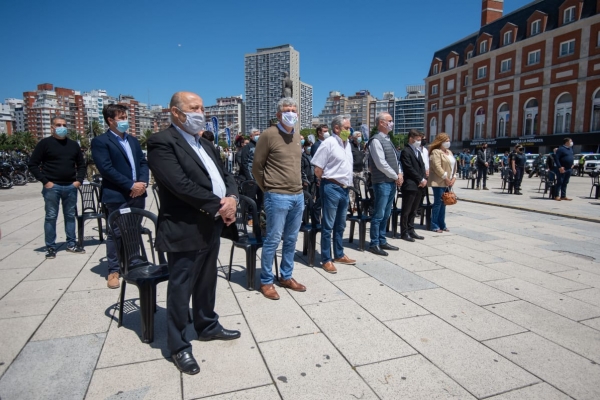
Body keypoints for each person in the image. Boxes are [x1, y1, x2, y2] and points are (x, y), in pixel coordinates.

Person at [147, 91, 240, 375]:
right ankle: (178, 345)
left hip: (211, 223)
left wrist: (233, 198)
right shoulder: (162, 142)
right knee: (181, 285)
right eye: (194, 107)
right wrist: (220, 206)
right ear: (175, 112)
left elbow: (226, 176)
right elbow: (180, 185)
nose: (200, 111)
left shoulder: (205, 143)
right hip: (185, 226)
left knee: (207, 279)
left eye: (201, 107)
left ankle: (207, 324)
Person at [252, 97, 306, 300]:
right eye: (287, 110)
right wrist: (268, 188)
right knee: (273, 239)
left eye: (294, 109)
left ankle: (286, 275)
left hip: (297, 195)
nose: (291, 113)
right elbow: (257, 167)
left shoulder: (297, 135)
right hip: (277, 195)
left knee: (291, 239)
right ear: (278, 114)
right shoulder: (268, 135)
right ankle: (266, 281)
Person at [92, 104, 149, 289]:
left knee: (133, 230)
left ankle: (132, 263)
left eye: (126, 116)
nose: (125, 120)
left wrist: (142, 182)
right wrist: (130, 184)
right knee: (115, 233)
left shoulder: (132, 140)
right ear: (110, 120)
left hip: (138, 193)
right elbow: (106, 169)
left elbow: (142, 162)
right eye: (121, 117)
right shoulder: (101, 141)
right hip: (117, 194)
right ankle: (114, 270)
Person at [28, 115, 86, 259]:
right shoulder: (45, 144)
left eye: (64, 125)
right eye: (59, 125)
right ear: (52, 127)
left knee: (70, 216)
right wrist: (45, 182)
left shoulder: (73, 145)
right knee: (51, 217)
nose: (62, 128)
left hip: (70, 186)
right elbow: (33, 164)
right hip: (52, 187)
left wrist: (78, 181)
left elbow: (82, 164)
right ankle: (51, 247)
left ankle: (71, 244)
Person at [311, 115, 355, 274]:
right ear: (336, 128)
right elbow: (318, 168)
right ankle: (326, 259)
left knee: (341, 224)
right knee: (328, 225)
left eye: (349, 128)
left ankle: (339, 253)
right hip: (331, 186)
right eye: (346, 128)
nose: (349, 130)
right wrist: (325, 183)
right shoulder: (328, 143)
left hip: (345, 188)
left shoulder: (347, 144)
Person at [367, 112, 403, 256]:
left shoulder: (388, 139)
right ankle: (374, 243)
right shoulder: (376, 140)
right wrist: (396, 175)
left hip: (391, 181)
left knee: (387, 213)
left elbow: (396, 159)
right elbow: (381, 163)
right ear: (381, 123)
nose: (392, 123)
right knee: (379, 213)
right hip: (382, 182)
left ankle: (382, 240)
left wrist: (399, 173)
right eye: (390, 121)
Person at [399, 130, 427, 242]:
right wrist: (419, 178)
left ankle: (411, 229)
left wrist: (423, 179)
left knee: (414, 210)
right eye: (418, 139)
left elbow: (422, 166)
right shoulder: (406, 151)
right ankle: (404, 232)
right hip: (410, 184)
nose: (419, 141)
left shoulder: (418, 151)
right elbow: (408, 168)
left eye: (420, 139)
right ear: (411, 138)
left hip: (419, 185)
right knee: (406, 210)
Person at [428, 133, 456, 233]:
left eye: (449, 140)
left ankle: (442, 224)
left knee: (444, 202)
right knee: (438, 203)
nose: (448, 142)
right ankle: (434, 224)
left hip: (448, 182)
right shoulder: (436, 152)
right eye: (446, 140)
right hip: (439, 181)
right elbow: (436, 166)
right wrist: (445, 177)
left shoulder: (449, 152)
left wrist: (454, 177)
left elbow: (453, 166)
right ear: (441, 141)